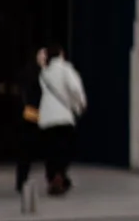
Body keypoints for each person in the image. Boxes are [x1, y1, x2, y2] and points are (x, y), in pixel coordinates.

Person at [37, 43, 86, 195]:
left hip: (46, 118)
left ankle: (54, 178)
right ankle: (60, 175)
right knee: (65, 149)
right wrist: (80, 104)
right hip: (64, 116)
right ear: (61, 54)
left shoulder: (44, 73)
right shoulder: (66, 69)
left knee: (50, 150)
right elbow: (75, 88)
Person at [14, 47, 47, 192]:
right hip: (32, 115)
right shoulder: (33, 73)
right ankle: (21, 180)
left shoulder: (47, 73)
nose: (44, 58)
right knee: (26, 150)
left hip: (41, 114)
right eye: (41, 55)